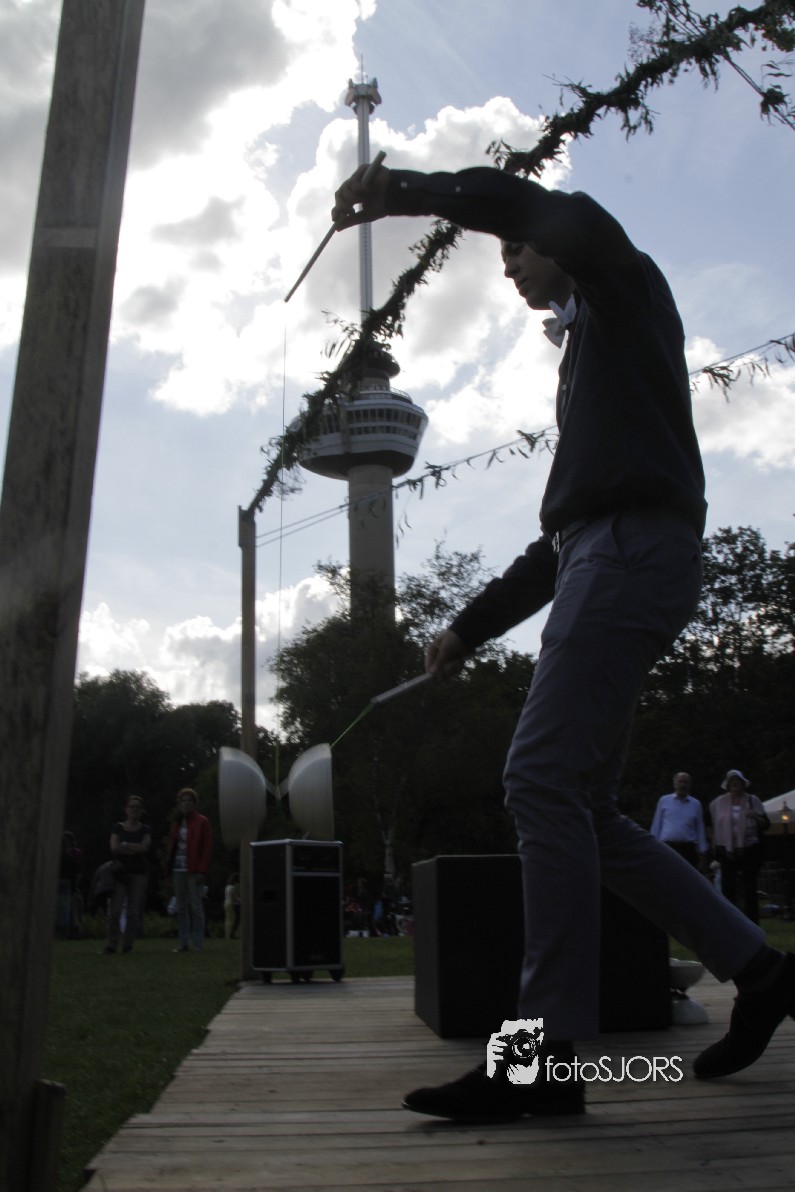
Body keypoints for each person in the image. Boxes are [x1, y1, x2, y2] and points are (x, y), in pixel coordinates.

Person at [330, 161, 795, 1120]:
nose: (506, 264)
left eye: (516, 247)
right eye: (500, 249)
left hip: (628, 555)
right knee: (584, 810)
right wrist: (469, 625)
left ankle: (539, 1056)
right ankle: (761, 973)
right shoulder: (586, 362)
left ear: (558, 243)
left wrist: (404, 191)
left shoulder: (623, 290)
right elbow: (566, 533)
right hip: (604, 554)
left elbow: (543, 208)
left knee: (537, 779)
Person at [710, 770, 770, 925]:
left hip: (749, 849)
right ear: (728, 786)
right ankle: (730, 921)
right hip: (728, 850)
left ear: (743, 785)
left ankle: (752, 922)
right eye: (732, 784)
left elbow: (765, 824)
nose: (735, 787)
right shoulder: (719, 803)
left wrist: (754, 816)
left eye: (738, 783)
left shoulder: (752, 800)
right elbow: (713, 823)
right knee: (728, 887)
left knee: (750, 887)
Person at [166, 788, 212, 953]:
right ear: (179, 804)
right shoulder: (177, 822)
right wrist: (168, 870)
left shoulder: (202, 822)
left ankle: (198, 943)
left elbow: (206, 848)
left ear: (194, 803)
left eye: (189, 801)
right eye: (183, 801)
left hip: (194, 869)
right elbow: (172, 847)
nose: (186, 804)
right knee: (181, 907)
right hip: (178, 868)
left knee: (196, 906)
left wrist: (202, 871)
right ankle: (183, 943)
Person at [103, 796, 151, 954]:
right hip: (120, 873)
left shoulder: (145, 829)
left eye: (137, 807)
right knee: (115, 911)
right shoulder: (118, 827)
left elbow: (144, 848)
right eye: (132, 806)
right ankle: (112, 943)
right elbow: (114, 848)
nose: (134, 810)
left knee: (132, 912)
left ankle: (128, 944)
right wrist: (134, 848)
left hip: (138, 873)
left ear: (141, 810)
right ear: (126, 809)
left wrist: (125, 845)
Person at [650, 772, 709, 870]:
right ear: (674, 784)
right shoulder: (664, 800)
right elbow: (656, 825)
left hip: (688, 849)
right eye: (680, 781)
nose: (683, 784)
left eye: (686, 782)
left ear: (690, 785)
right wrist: (653, 847)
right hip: (667, 847)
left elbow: (700, 829)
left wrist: (702, 852)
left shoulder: (696, 804)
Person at [224, 872, 241, 940]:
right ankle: (232, 934)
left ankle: (228, 934)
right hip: (231, 904)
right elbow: (235, 898)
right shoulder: (232, 888)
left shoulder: (227, 887)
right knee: (233, 920)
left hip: (226, 903)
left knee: (228, 919)